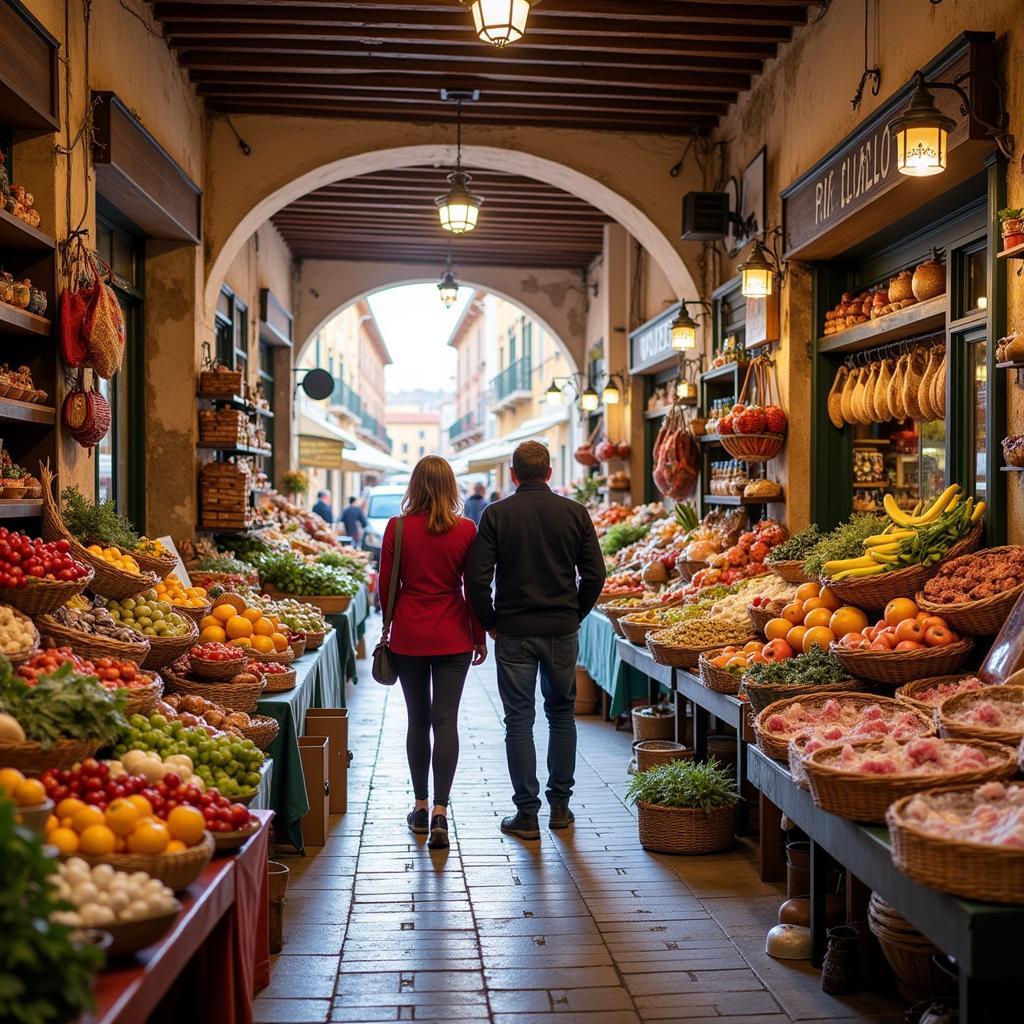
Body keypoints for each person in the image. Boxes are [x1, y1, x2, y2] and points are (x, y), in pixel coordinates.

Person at [466, 441, 606, 839]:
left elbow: (476, 578)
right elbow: (595, 573)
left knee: (518, 720)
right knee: (562, 714)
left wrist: (491, 622)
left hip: (513, 630)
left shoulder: (496, 515)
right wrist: (574, 613)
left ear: (513, 474)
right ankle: (560, 808)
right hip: (561, 628)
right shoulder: (575, 513)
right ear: (549, 472)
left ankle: (526, 814)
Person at [378, 455, 487, 850]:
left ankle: (420, 806)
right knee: (446, 721)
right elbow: (475, 589)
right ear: (451, 487)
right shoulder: (466, 530)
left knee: (417, 720)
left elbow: (384, 585)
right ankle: (442, 811)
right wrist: (479, 636)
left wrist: (387, 624)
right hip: (453, 635)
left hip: (409, 634)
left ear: (414, 486)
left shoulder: (398, 528)